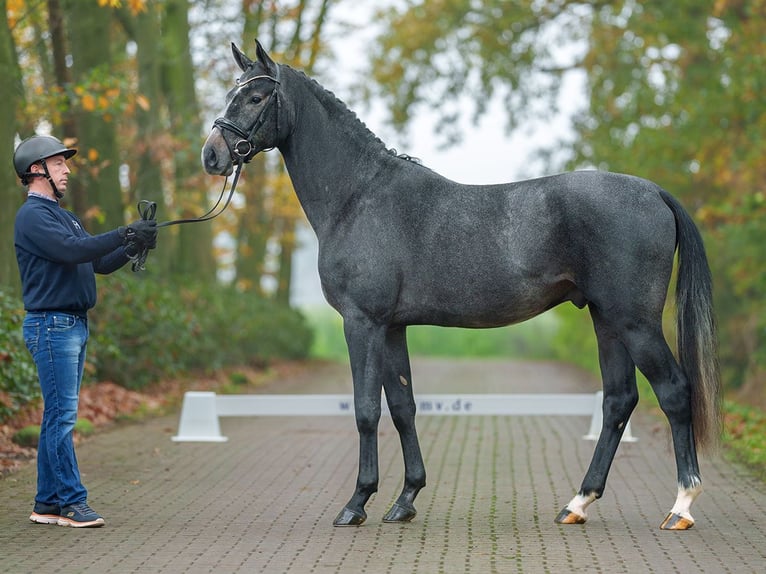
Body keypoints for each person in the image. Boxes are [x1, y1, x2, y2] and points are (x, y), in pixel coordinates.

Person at [12, 134, 158, 528]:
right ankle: (73, 503)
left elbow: (97, 262)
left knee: (55, 417)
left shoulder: (65, 216)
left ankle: (46, 504)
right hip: (51, 325)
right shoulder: (32, 217)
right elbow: (73, 251)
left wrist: (132, 245)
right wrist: (124, 232)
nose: (67, 170)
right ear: (36, 170)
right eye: (59, 164)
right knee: (61, 418)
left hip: (71, 324)